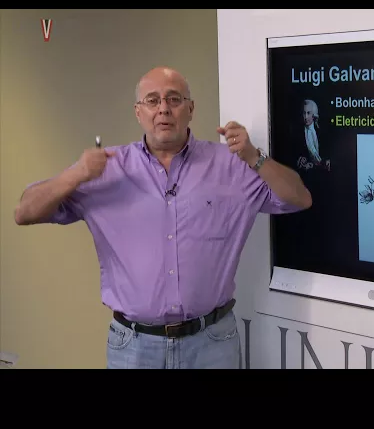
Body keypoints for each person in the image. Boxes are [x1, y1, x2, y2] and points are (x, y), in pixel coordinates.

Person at [13, 66, 312, 369]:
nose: (164, 109)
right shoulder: (106, 169)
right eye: (152, 100)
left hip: (212, 344)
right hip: (134, 347)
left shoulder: (230, 165)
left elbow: (299, 198)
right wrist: (76, 174)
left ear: (190, 109)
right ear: (138, 112)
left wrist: (254, 157)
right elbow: (24, 212)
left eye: (174, 99)